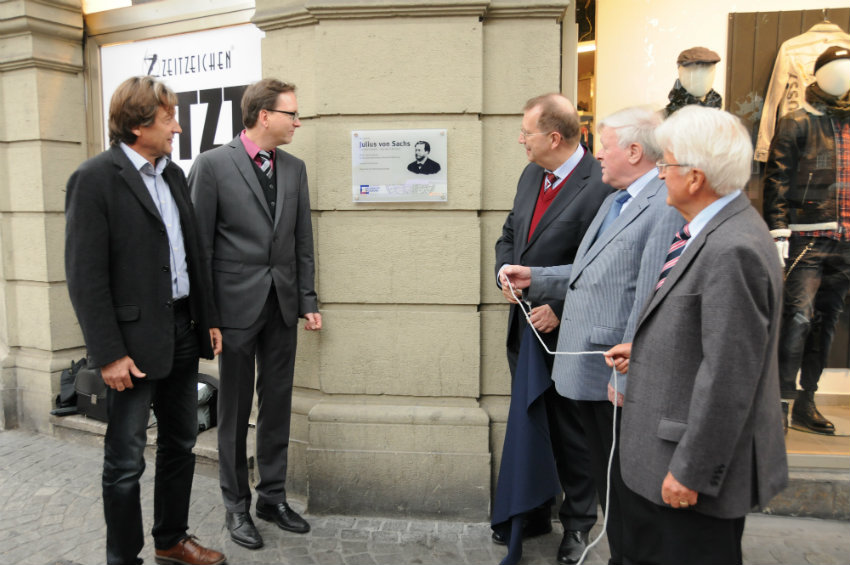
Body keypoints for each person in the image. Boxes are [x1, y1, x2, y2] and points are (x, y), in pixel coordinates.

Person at [500, 106, 684, 565]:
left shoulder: (660, 206)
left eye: (605, 146)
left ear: (636, 151)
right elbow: (588, 272)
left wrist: (626, 376)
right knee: (608, 482)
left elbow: (648, 300)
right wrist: (534, 277)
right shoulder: (614, 200)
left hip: (611, 372)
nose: (597, 154)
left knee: (620, 483)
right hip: (581, 368)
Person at [606, 106, 788, 565]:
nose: (660, 174)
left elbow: (730, 376)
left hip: (685, 477)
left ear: (695, 177)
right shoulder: (715, 231)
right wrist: (648, 351)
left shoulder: (733, 248)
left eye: (665, 165)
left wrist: (690, 471)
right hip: (658, 461)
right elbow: (706, 335)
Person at [65, 76, 226, 565]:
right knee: (126, 461)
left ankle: (170, 540)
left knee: (181, 443)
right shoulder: (94, 178)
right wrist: (108, 353)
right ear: (138, 125)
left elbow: (193, 254)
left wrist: (208, 318)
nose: (177, 127)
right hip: (130, 348)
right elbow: (84, 276)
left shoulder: (173, 175)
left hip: (181, 329)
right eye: (168, 118)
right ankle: (123, 557)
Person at [189, 78, 322, 550]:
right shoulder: (212, 165)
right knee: (235, 408)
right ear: (264, 115)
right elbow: (197, 248)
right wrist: (206, 318)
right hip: (232, 312)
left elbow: (303, 241)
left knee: (277, 404)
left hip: (282, 306)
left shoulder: (294, 168)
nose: (297, 122)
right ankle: (235, 505)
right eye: (291, 113)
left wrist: (308, 301)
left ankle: (272, 497)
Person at [494, 92, 612, 564]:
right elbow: (510, 232)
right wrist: (504, 271)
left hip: (571, 336)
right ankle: (535, 507)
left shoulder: (602, 184)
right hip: (524, 326)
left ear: (555, 137)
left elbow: (605, 263)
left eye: (527, 132)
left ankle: (579, 524)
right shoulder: (531, 174)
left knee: (572, 434)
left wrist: (561, 308)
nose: (521, 139)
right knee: (533, 422)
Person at [763, 45, 850, 434]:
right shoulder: (797, 121)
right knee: (797, 318)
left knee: (826, 322)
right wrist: (778, 229)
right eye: (837, 69)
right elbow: (777, 178)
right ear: (820, 74)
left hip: (845, 239)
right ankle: (780, 401)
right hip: (807, 237)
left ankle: (807, 400)